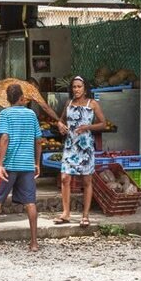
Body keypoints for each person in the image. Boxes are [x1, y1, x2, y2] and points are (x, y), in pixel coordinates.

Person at [0, 83, 43, 251]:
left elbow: (4, 138)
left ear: (8, 99)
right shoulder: (31, 114)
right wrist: (37, 163)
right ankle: (34, 242)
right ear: (21, 98)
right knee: (30, 203)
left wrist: (0, 163)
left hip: (10, 164)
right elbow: (39, 140)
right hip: (27, 164)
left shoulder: (5, 113)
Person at [54, 75, 106, 228]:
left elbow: (103, 124)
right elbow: (61, 120)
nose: (76, 89)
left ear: (85, 88)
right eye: (74, 87)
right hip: (70, 145)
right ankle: (66, 213)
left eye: (79, 87)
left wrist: (87, 127)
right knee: (65, 178)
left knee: (86, 181)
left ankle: (85, 215)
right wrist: (60, 125)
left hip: (86, 146)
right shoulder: (68, 103)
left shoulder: (93, 104)